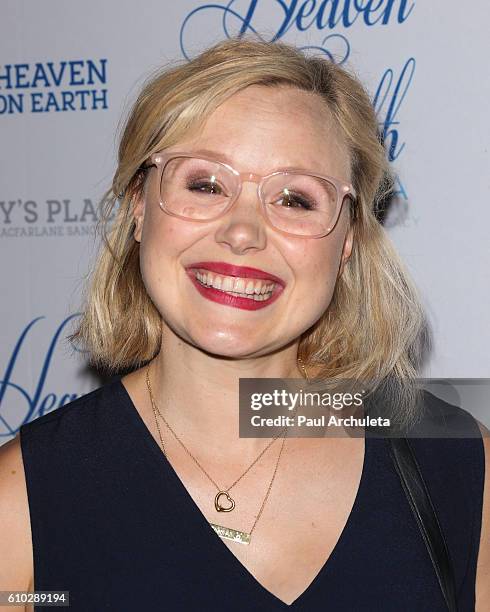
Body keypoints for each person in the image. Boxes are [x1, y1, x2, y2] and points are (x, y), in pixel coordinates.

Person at [0, 37, 488, 611]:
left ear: (349, 238)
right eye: (206, 184)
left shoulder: (462, 467)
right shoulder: (21, 503)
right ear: (139, 205)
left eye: (296, 199)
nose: (243, 233)